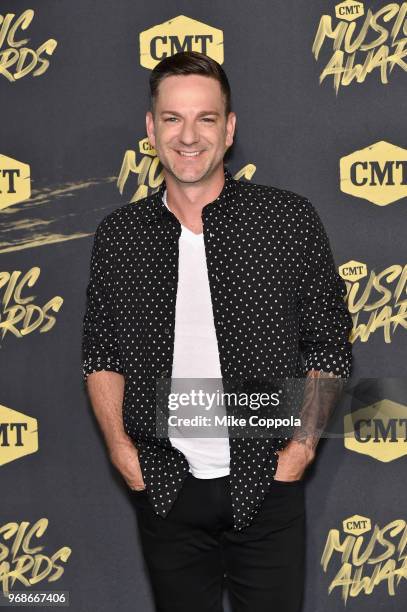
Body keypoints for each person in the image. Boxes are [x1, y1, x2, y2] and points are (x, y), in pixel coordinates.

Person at [82, 51, 353, 612]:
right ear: (151, 129)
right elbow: (101, 351)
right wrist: (121, 450)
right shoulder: (120, 236)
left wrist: (300, 450)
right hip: (164, 484)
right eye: (173, 118)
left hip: (267, 480)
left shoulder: (286, 220)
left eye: (205, 118)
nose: (188, 136)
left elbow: (328, 342)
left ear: (228, 130)